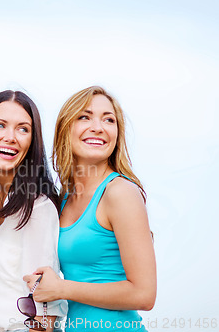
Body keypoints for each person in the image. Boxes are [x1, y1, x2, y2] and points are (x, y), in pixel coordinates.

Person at [24, 86, 157, 331]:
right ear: (66, 128)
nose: (98, 127)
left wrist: (62, 289)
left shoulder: (120, 192)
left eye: (109, 119)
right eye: (84, 117)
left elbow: (144, 294)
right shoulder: (63, 200)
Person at [0, 90, 68, 332]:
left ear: (32, 142)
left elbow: (44, 306)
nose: (10, 137)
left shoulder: (37, 207)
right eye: (0, 125)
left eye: (23, 129)